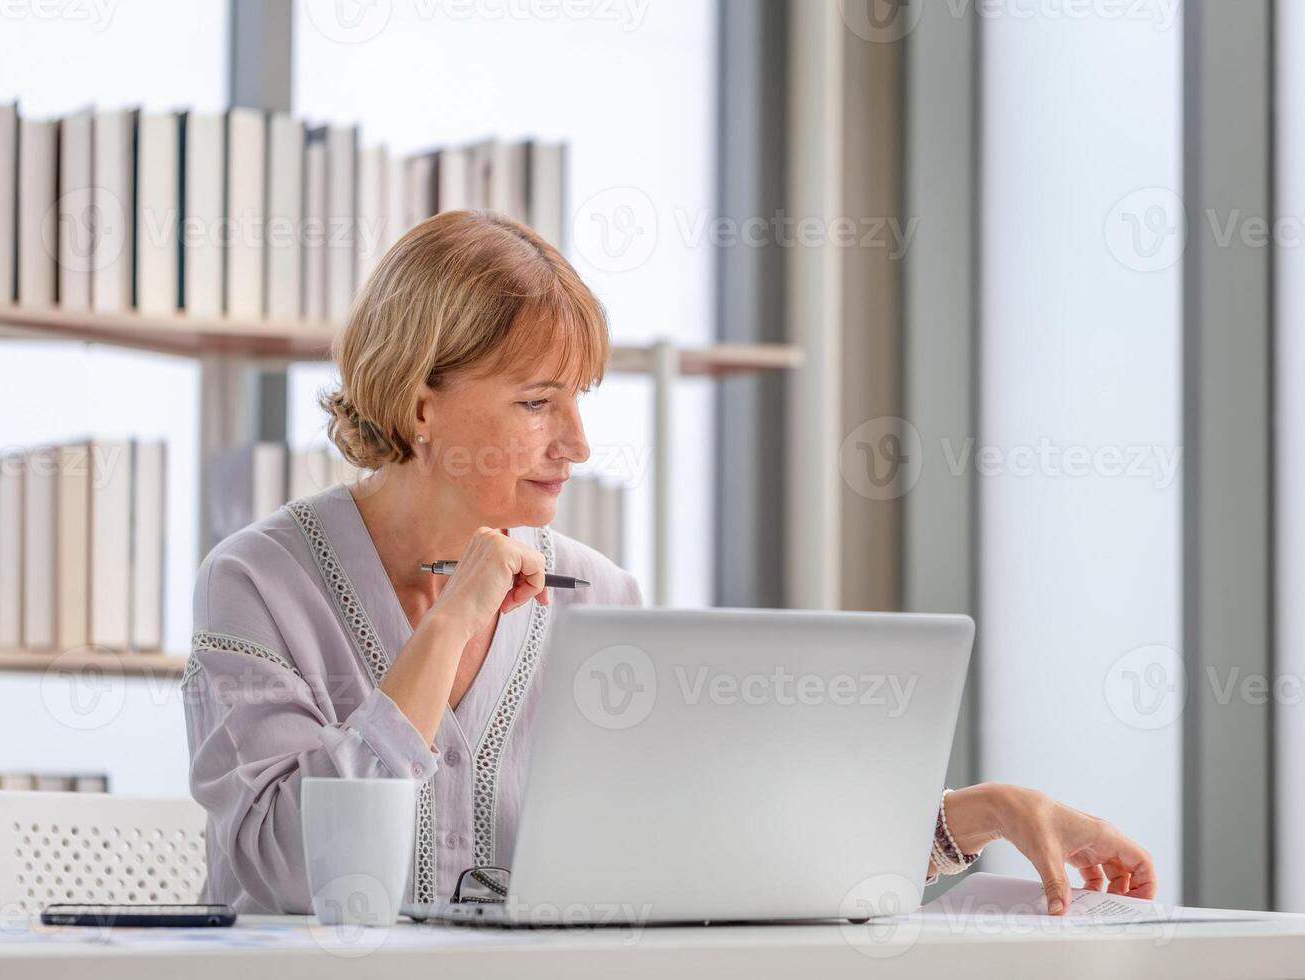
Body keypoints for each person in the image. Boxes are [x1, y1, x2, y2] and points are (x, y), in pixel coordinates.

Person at [181, 210, 1156, 916]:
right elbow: (287, 871)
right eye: (536, 401)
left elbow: (709, 849)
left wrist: (965, 816)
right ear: (420, 401)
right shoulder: (259, 581)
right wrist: (447, 627)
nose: (576, 442)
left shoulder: (601, 595)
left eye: (582, 399)